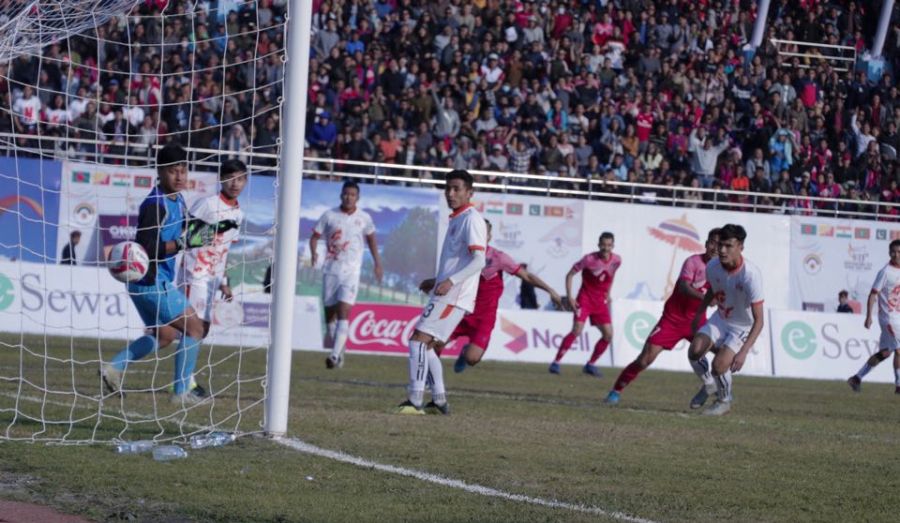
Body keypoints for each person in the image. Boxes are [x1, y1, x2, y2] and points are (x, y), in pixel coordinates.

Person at [101, 142, 237, 405]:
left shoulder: (178, 199)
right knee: (195, 329)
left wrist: (214, 227)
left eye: (183, 170)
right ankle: (181, 392)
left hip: (146, 283)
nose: (180, 176)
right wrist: (184, 243)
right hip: (151, 281)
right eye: (173, 171)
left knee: (165, 336)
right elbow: (147, 247)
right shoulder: (155, 204)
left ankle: (113, 368)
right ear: (160, 172)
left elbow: (184, 227)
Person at [397, 169, 487, 415]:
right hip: (447, 291)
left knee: (418, 341)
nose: (451, 193)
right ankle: (438, 400)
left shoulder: (472, 219)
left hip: (454, 295)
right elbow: (458, 260)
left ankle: (415, 400)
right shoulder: (457, 218)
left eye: (457, 189)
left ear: (469, 192)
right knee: (427, 347)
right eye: (448, 188)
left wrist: (450, 281)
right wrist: (436, 280)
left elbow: (479, 260)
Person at [605, 228, 721, 405]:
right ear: (706, 244)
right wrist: (706, 298)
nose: (715, 248)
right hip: (672, 320)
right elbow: (683, 287)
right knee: (645, 360)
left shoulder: (721, 271)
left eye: (719, 244)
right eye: (712, 242)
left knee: (723, 352)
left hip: (697, 321)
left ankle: (720, 393)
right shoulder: (693, 262)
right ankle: (616, 391)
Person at [430, 220, 563, 373]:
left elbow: (526, 276)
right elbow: (450, 277)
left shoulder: (498, 258)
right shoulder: (462, 256)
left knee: (472, 358)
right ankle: (429, 379)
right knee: (435, 344)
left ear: (489, 237)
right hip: (460, 311)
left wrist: (550, 290)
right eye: (476, 233)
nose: (478, 236)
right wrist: (433, 282)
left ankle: (465, 351)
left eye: (483, 233)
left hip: (484, 318)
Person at [175, 159, 248, 397]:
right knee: (192, 328)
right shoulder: (207, 204)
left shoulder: (238, 214)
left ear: (245, 181)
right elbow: (186, 233)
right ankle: (185, 384)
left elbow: (224, 250)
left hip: (212, 277)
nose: (235, 184)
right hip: (194, 272)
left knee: (202, 329)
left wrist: (224, 283)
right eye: (230, 178)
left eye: (240, 179)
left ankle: (187, 380)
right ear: (221, 179)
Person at [686, 224, 764, 416]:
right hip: (720, 319)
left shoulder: (751, 275)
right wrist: (700, 313)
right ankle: (709, 385)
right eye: (720, 244)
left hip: (741, 326)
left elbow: (759, 320)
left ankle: (724, 401)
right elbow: (712, 290)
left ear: (740, 247)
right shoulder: (713, 266)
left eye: (728, 246)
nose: (721, 250)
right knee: (695, 351)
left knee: (719, 365)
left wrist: (744, 352)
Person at [310, 181, 383, 369]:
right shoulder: (329, 215)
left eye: (352, 194)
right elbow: (315, 236)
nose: (348, 197)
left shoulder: (364, 218)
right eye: (346, 194)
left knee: (344, 312)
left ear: (357, 197)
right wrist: (314, 253)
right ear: (341, 195)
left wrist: (377, 263)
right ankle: (339, 352)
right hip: (330, 270)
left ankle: (334, 356)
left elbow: (372, 240)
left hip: (351, 272)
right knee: (330, 317)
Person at [549, 232, 620, 376]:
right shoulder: (589, 259)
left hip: (600, 302)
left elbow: (611, 276)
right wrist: (570, 297)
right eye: (603, 245)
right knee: (576, 330)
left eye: (609, 245)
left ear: (612, 246)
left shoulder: (617, 260)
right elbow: (570, 275)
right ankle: (556, 362)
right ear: (599, 245)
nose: (606, 248)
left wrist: (608, 293)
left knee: (608, 335)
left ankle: (590, 365)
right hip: (585, 299)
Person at [847, 240, 900, 394]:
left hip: (897, 317)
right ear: (889, 253)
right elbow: (873, 294)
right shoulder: (885, 272)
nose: (896, 255)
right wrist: (869, 316)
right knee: (899, 350)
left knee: (885, 352)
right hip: (889, 318)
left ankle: (856, 378)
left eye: (899, 252)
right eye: (893, 252)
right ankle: (899, 386)